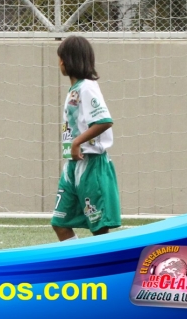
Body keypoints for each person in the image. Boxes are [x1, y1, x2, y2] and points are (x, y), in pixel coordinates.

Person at [51, 36, 121, 241]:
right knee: (60, 223)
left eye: (61, 58)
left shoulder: (87, 87)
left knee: (98, 228)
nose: (60, 63)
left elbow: (105, 121)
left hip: (92, 164)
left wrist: (76, 142)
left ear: (69, 60)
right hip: (73, 165)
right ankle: (76, 266)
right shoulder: (75, 89)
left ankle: (102, 270)